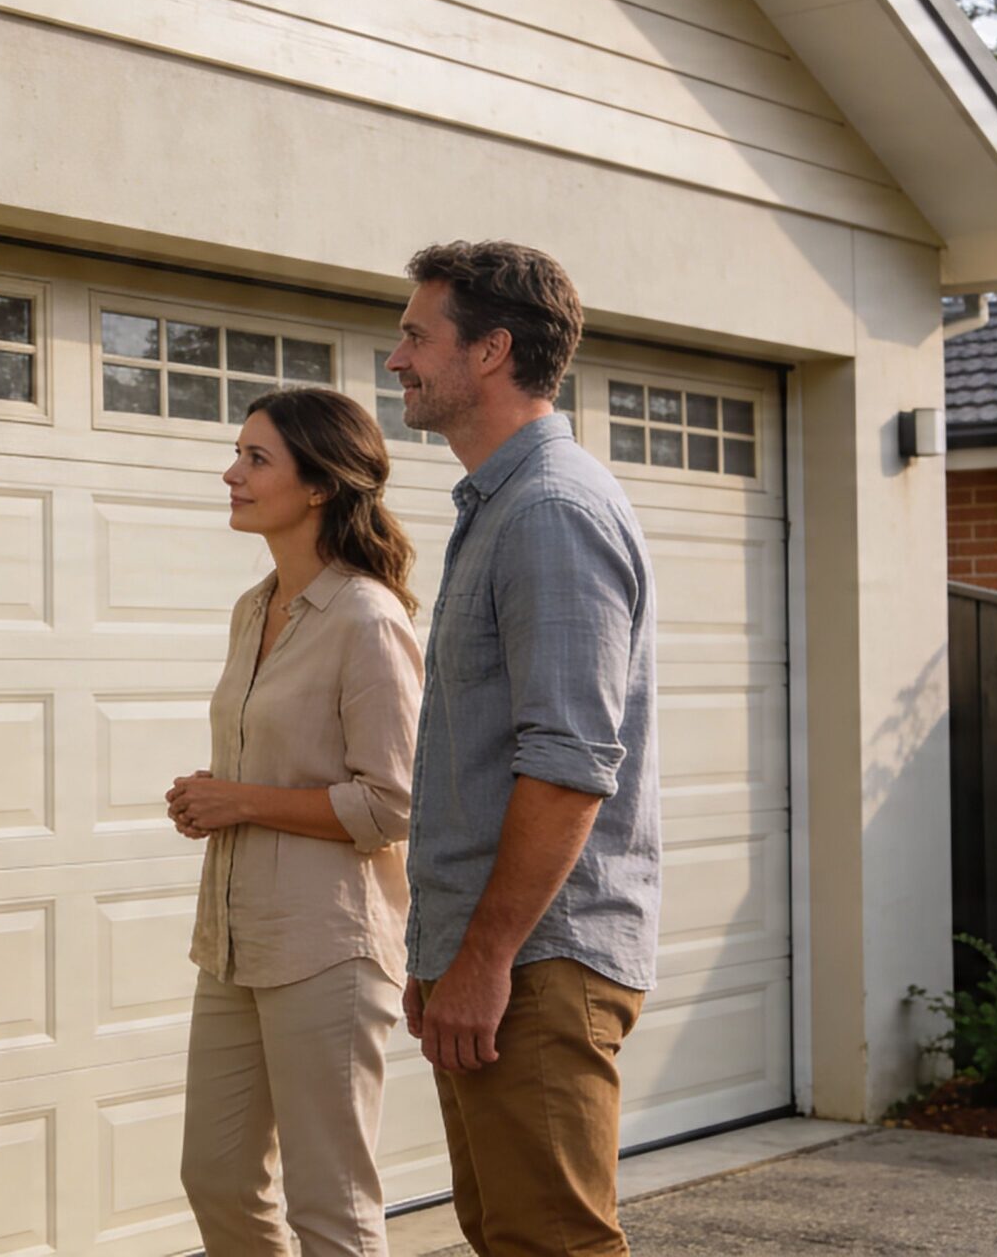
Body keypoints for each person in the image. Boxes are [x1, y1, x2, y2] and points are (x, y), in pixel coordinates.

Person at [387, 241, 660, 1256]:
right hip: (496, 955)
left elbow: (569, 764)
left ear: (491, 350)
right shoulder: (503, 502)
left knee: (552, 1246)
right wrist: (450, 951)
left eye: (417, 335)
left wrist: (484, 959)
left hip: (539, 960)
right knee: (509, 1238)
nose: (395, 360)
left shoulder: (548, 509)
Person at [167, 386, 422, 1256]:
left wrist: (242, 799)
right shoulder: (254, 608)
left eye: (256, 458)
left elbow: (391, 804)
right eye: (238, 453)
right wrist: (215, 794)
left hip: (329, 947)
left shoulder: (367, 618)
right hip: (234, 940)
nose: (231, 473)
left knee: (332, 1203)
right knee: (218, 1178)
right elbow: (278, 765)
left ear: (319, 486)